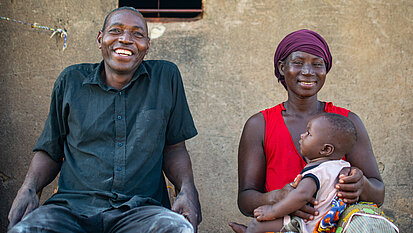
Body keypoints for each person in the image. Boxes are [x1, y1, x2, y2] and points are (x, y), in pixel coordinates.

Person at [8, 7, 201, 233]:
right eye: (116, 30)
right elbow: (50, 151)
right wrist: (28, 189)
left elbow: (175, 148)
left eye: (137, 34)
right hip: (70, 211)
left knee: (177, 229)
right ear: (101, 39)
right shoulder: (70, 81)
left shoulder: (166, 78)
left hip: (143, 212)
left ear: (147, 45)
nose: (125, 39)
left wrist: (188, 191)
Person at [229, 29, 384, 232]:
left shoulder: (346, 122)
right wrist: (279, 198)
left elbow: (378, 194)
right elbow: (246, 199)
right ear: (282, 67)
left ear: (326, 70)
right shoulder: (260, 125)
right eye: (298, 62)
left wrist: (361, 185)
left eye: (317, 64)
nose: (308, 71)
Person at [242, 113, 356, 233]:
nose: (302, 135)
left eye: (308, 133)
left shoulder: (317, 172)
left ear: (325, 149)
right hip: (329, 225)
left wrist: (272, 210)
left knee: (256, 225)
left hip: (308, 225)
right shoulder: (343, 167)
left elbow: (301, 195)